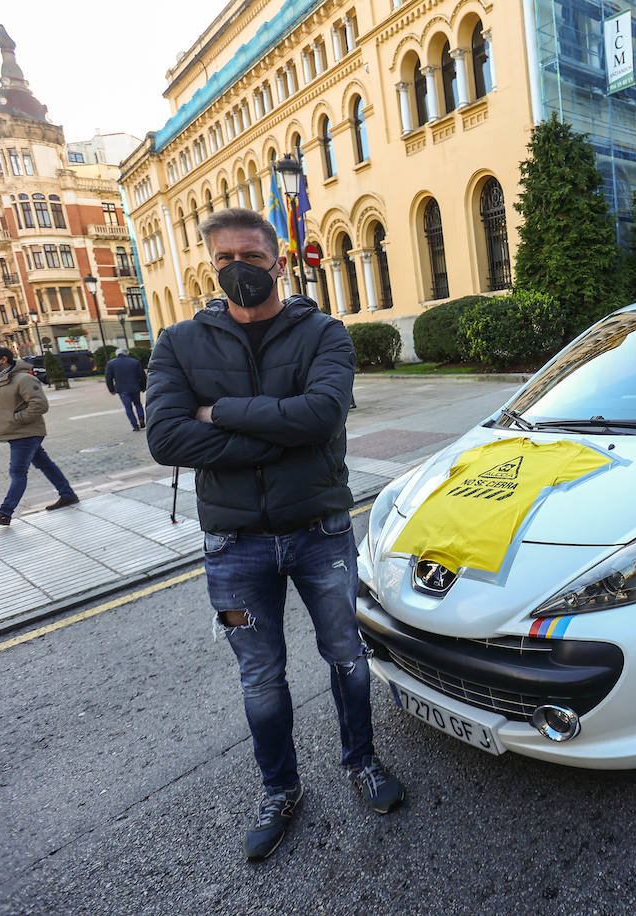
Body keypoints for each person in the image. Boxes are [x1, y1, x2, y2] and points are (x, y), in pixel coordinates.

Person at [144, 208, 402, 862]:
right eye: (224, 259)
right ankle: (280, 790)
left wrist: (221, 414)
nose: (238, 271)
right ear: (212, 266)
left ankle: (361, 761)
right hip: (234, 547)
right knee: (260, 678)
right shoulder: (180, 343)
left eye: (251, 260)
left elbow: (321, 416)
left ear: (278, 263)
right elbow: (167, 437)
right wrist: (274, 434)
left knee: (346, 656)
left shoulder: (323, 333)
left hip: (320, 532)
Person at [0, 343, 79, 526]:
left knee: (17, 471)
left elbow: (40, 405)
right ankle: (68, 495)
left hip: (25, 433)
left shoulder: (22, 379)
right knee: (45, 464)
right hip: (16, 432)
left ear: (3, 359)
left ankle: (5, 513)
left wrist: (17, 419)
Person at [104, 347, 148, 431]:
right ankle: (141, 418)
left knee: (128, 407)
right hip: (135, 387)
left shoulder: (111, 363)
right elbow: (142, 376)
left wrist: (111, 389)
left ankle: (135, 425)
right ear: (126, 353)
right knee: (138, 404)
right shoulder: (135, 362)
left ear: (117, 354)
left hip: (122, 389)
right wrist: (143, 387)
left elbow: (108, 378)